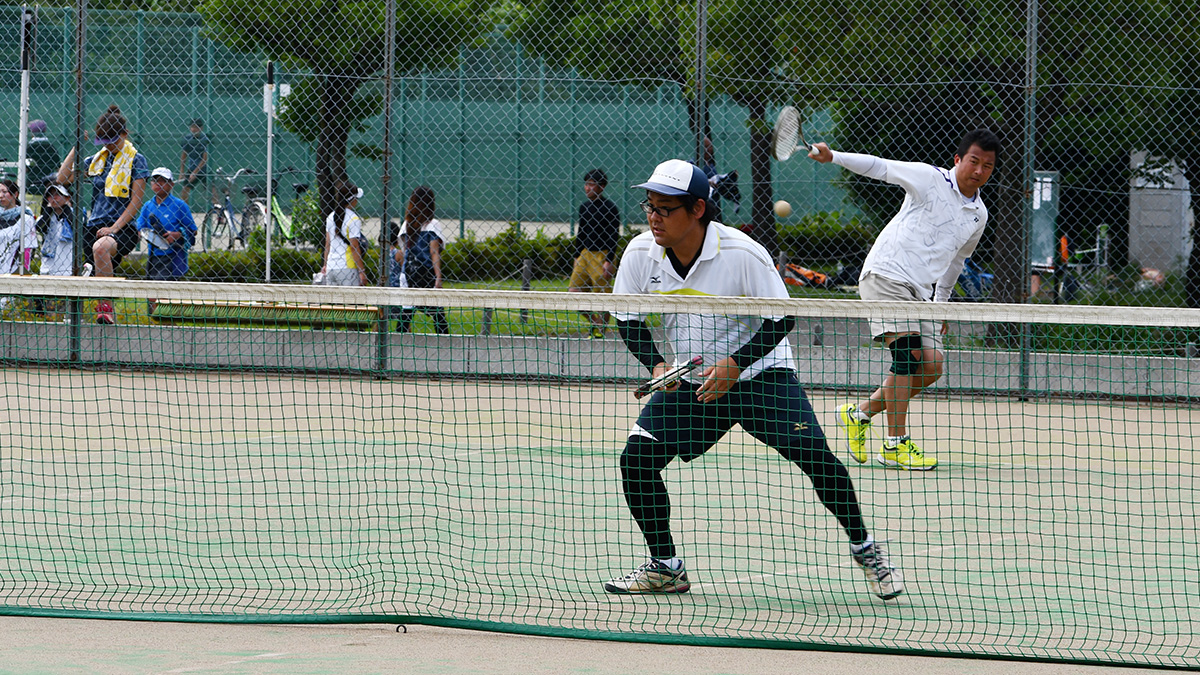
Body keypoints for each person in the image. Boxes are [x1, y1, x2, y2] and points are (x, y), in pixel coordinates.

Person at [602, 159, 902, 601]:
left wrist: (735, 365)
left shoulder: (742, 253)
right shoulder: (640, 253)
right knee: (637, 460)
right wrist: (658, 366)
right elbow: (627, 318)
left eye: (665, 209)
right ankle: (665, 566)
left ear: (698, 210)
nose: (653, 217)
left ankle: (866, 548)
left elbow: (783, 317)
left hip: (762, 375)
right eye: (650, 206)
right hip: (694, 379)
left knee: (815, 457)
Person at [809, 129, 1001, 471]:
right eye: (973, 161)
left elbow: (956, 260)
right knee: (908, 356)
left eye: (987, 166)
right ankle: (895, 443)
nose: (979, 170)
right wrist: (833, 156)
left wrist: (940, 304)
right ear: (958, 160)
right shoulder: (929, 178)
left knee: (931, 366)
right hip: (887, 274)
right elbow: (880, 167)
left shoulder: (979, 215)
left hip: (922, 293)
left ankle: (860, 414)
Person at [56, 104, 149, 324]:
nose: (108, 145)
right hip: (95, 226)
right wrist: (77, 146)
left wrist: (114, 228)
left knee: (100, 247)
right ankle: (76, 313)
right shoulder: (98, 159)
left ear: (125, 135)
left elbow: (136, 201)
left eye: (113, 140)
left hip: (122, 228)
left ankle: (106, 309)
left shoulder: (137, 160)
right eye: (104, 141)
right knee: (87, 266)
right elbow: (62, 178)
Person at [569, 168, 620, 338]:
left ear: (601, 187)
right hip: (585, 254)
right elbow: (581, 233)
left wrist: (609, 260)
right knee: (573, 293)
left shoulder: (610, 208)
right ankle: (595, 322)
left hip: (602, 255)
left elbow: (614, 236)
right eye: (586, 184)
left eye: (592, 184)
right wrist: (577, 255)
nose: (587, 188)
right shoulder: (584, 208)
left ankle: (601, 330)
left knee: (602, 297)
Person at [137, 168, 196, 311]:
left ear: (171, 184)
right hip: (153, 257)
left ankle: (166, 322)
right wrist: (144, 234)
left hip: (173, 256)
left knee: (165, 295)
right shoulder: (147, 206)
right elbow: (140, 227)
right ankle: (155, 321)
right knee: (151, 293)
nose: (159, 184)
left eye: (163, 181)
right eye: (155, 181)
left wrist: (176, 235)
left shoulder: (180, 205)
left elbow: (192, 230)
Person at [394, 185, 449, 334]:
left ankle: (398, 342)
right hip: (427, 273)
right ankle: (445, 343)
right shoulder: (432, 225)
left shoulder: (406, 224)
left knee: (406, 311)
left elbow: (403, 251)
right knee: (437, 312)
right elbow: (434, 252)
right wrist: (438, 276)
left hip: (408, 273)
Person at [321, 181, 368, 287]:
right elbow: (354, 247)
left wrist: (325, 265)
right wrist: (361, 271)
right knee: (351, 303)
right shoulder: (353, 219)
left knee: (334, 303)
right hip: (347, 267)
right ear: (353, 200)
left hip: (331, 266)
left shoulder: (330, 217)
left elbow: (327, 244)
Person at [35, 183, 74, 278]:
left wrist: (66, 208)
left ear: (67, 198)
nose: (54, 198)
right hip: (48, 264)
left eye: (58, 194)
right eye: (51, 195)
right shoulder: (46, 216)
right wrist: (48, 210)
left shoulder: (75, 213)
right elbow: (39, 227)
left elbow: (76, 225)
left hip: (68, 264)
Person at [0, 179, 37, 275]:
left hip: (12, 272)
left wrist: (21, 274)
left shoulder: (25, 218)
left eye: (4, 192)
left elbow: (27, 250)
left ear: (15, 194)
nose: (0, 196)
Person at [25, 120, 60, 217]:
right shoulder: (51, 147)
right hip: (47, 186)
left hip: (31, 184)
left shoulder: (29, 147)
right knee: (44, 211)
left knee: (31, 212)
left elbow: (26, 168)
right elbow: (58, 167)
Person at [178, 119, 213, 208]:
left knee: (211, 190)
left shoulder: (205, 139)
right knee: (185, 190)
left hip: (205, 169)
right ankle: (185, 211)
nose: (193, 129)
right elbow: (184, 155)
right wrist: (182, 171)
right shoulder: (187, 139)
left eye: (196, 127)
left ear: (201, 128)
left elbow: (205, 159)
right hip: (192, 167)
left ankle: (218, 213)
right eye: (192, 127)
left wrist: (195, 172)